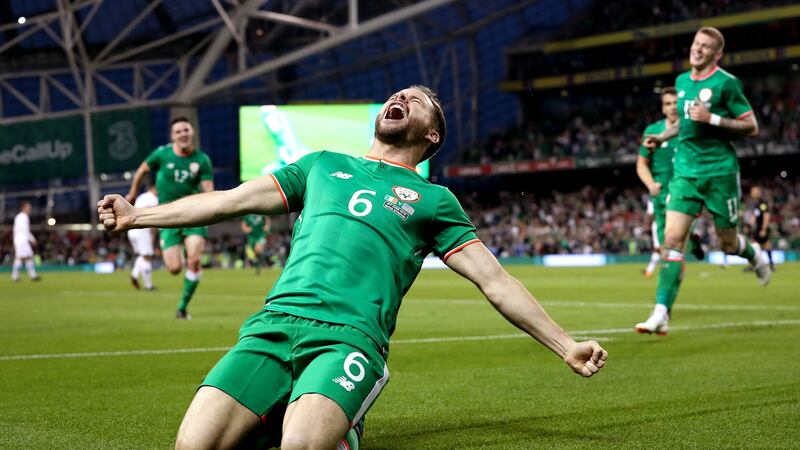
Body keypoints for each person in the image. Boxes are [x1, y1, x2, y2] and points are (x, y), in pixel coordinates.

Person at [98, 85, 608, 449]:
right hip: (271, 329)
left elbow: (495, 281)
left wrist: (566, 344)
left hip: (348, 340)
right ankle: (292, 414)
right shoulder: (320, 165)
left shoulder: (434, 200)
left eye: (417, 101)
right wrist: (138, 215)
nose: (402, 99)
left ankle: (335, 425)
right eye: (399, 95)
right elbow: (228, 201)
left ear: (432, 135)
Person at [637, 27, 771, 335]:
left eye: (705, 47)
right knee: (671, 240)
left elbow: (751, 126)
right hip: (685, 173)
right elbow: (685, 124)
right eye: (696, 44)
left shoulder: (726, 83)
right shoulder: (682, 81)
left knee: (727, 243)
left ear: (717, 54)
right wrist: (662, 136)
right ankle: (660, 312)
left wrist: (711, 118)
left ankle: (754, 254)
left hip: (720, 172)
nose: (697, 50)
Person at [126, 117, 214, 319]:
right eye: (178, 131)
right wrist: (132, 193)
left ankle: (182, 308)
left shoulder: (202, 160)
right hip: (168, 215)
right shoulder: (162, 154)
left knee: (194, 259)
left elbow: (209, 187)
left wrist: (210, 200)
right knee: (174, 268)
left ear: (192, 132)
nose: (183, 134)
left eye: (186, 130)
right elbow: (141, 169)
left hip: (194, 214)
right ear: (172, 136)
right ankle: (183, 258)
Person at [636, 87, 704, 278]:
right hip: (661, 194)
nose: (673, 107)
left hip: (685, 191)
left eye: (676, 103)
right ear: (662, 108)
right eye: (668, 103)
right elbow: (641, 164)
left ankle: (665, 301)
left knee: (673, 243)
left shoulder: (692, 129)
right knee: (666, 247)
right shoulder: (653, 131)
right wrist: (651, 185)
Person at [127, 184, 159, 290]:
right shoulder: (154, 199)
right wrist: (153, 235)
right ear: (154, 187)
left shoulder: (141, 197)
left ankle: (134, 274)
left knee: (142, 255)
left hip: (132, 229)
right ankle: (148, 285)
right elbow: (153, 218)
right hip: (142, 230)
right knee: (147, 256)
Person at [746, 185, 774, 271]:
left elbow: (766, 215)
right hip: (758, 227)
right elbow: (755, 215)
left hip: (762, 227)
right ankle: (756, 265)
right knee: (754, 245)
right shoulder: (756, 203)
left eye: (754, 191)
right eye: (752, 191)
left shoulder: (762, 203)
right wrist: (748, 225)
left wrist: (764, 229)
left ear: (758, 192)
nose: (752, 193)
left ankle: (770, 265)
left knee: (765, 245)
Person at [11, 201, 40, 282]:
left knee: (29, 257)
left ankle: (33, 276)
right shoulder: (22, 217)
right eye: (28, 207)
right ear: (23, 208)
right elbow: (24, 230)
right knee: (20, 258)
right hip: (21, 240)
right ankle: (15, 276)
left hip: (21, 240)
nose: (29, 209)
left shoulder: (22, 217)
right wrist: (32, 239)